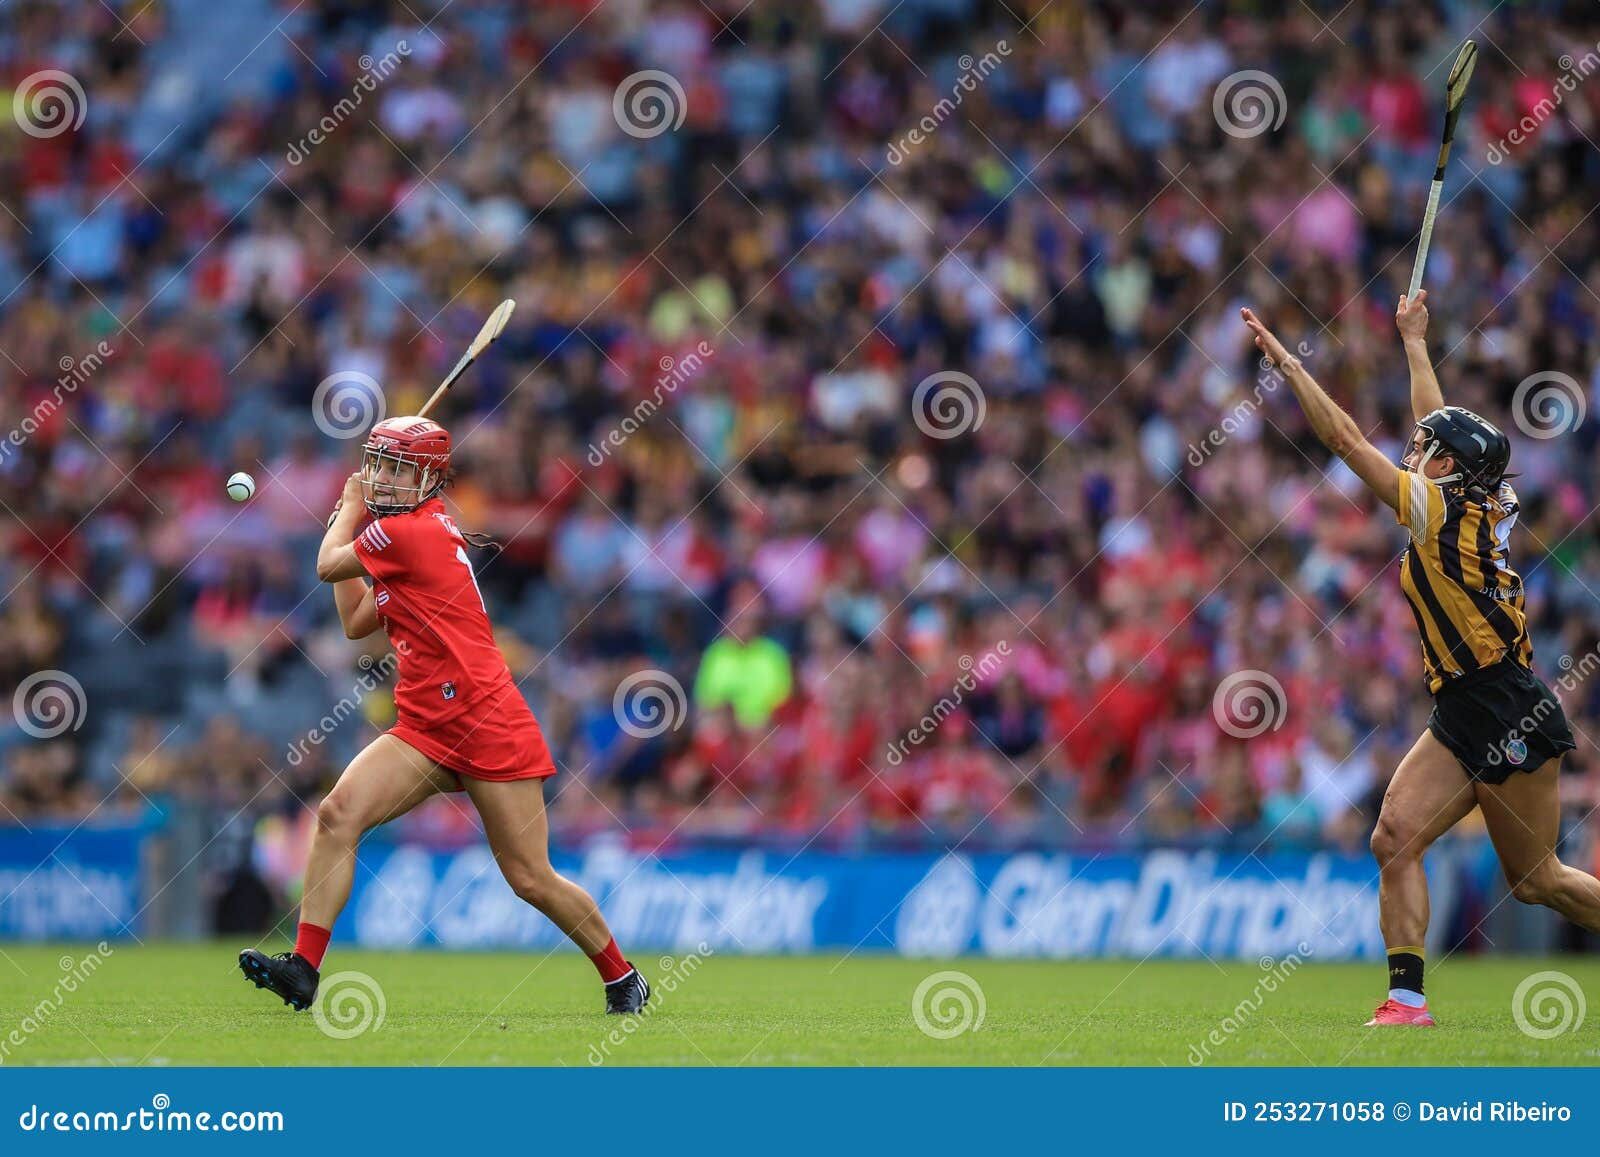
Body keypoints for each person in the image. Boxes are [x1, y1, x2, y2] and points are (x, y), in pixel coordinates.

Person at [1241, 293, 1600, 1027]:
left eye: (1428, 450)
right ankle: (1406, 1000)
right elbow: (1436, 418)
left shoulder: (1437, 508)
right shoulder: (1477, 495)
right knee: (1394, 836)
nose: (1416, 450)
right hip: (1463, 706)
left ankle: (1409, 997)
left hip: (1508, 704)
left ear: (1449, 468)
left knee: (1538, 881)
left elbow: (1344, 438)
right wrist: (1414, 340)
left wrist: (1288, 367)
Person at [239, 416, 649, 1016]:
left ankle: (622, 976)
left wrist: (347, 512)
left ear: (427, 479)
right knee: (337, 814)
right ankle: (304, 968)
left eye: (396, 468)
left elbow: (329, 567)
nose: (380, 477)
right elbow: (356, 622)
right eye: (376, 463)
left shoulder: (409, 534)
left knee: (530, 877)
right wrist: (346, 521)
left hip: (487, 722)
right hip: (425, 728)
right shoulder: (404, 536)